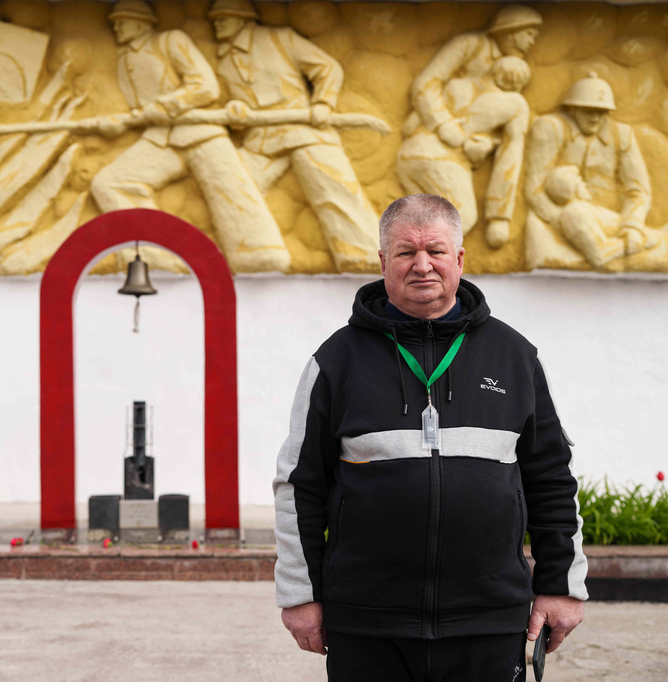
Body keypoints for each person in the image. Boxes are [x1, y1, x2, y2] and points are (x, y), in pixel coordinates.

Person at [273, 193, 587, 681]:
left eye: (436, 251)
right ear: (383, 262)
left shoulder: (515, 356)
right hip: (367, 622)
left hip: (487, 620)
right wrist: (300, 594)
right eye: (405, 252)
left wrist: (561, 586)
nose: (423, 265)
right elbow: (300, 485)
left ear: (459, 258)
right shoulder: (336, 360)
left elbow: (550, 477)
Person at [90, 0, 289, 273]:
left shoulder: (171, 40)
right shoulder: (125, 59)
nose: (116, 28)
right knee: (110, 182)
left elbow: (204, 85)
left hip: (199, 131)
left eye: (121, 21)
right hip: (160, 139)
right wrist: (119, 122)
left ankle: (259, 254)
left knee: (231, 191)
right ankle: (152, 254)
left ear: (141, 23)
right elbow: (141, 108)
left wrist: (166, 106)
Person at [208, 0, 381, 273]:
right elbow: (230, 102)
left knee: (334, 188)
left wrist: (323, 103)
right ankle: (254, 252)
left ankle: (365, 252)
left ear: (244, 19)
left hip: (303, 130)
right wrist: (236, 109)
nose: (216, 23)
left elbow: (327, 68)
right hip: (261, 140)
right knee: (234, 183)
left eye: (223, 17)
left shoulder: (280, 39)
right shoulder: (225, 61)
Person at [525, 73, 668, 269]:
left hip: (620, 224)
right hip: (590, 225)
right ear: (573, 109)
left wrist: (632, 227)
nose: (596, 119)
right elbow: (535, 189)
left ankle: (648, 236)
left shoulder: (621, 134)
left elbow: (639, 191)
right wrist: (565, 224)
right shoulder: (552, 129)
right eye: (589, 111)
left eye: (602, 112)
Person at [397, 5, 541, 248]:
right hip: (432, 147)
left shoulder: (508, 93)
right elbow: (425, 84)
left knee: (439, 220)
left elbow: (505, 143)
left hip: (455, 158)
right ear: (510, 30)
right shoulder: (470, 45)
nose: (531, 42)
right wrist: (444, 125)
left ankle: (498, 215)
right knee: (460, 218)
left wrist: (487, 144)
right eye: (528, 34)